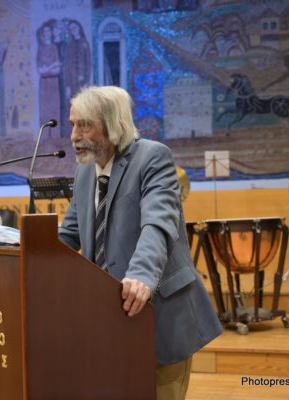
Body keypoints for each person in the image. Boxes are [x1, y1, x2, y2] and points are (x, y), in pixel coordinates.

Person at [58, 86, 222, 400]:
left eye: (85, 125)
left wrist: (142, 275)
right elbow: (68, 235)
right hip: (107, 319)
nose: (74, 136)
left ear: (113, 125)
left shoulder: (152, 157)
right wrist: (21, 252)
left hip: (159, 313)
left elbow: (158, 224)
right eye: (72, 124)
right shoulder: (84, 173)